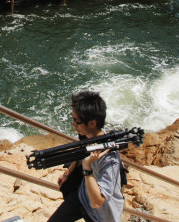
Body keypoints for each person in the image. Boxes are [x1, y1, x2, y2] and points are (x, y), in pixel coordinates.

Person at [48, 91, 124, 222]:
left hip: (101, 215)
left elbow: (97, 202)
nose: (74, 124)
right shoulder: (87, 135)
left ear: (92, 123)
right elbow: (82, 151)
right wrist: (68, 172)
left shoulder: (110, 159)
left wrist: (87, 168)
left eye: (76, 121)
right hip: (82, 196)